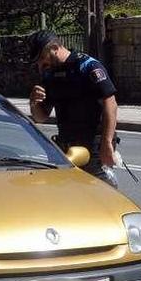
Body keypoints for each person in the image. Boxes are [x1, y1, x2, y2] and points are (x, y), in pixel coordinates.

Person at [27, 30, 119, 187]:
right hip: (66, 148)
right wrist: (34, 103)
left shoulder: (87, 66)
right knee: (69, 195)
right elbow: (41, 117)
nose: (41, 66)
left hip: (92, 147)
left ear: (55, 47)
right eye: (38, 63)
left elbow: (111, 103)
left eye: (42, 58)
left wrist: (107, 143)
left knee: (100, 193)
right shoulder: (50, 75)